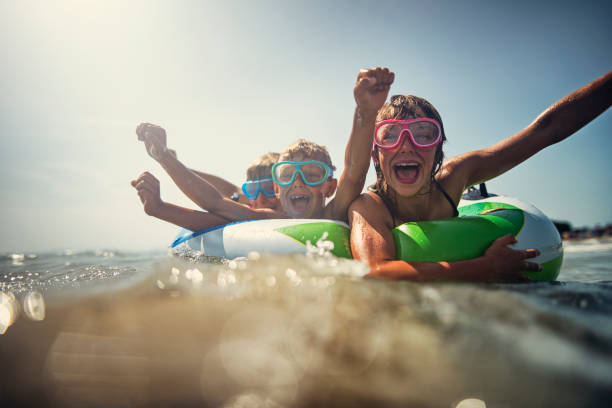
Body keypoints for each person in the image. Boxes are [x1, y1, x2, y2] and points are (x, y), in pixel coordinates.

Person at [348, 69, 612, 282]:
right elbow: (375, 273)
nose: (406, 144)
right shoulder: (369, 207)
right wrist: (484, 267)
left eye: (423, 134)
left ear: (439, 152)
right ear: (376, 158)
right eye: (390, 135)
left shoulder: (454, 177)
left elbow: (545, 131)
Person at [135, 67, 395, 223]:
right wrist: (165, 159)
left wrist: (365, 112)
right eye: (286, 175)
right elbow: (214, 201)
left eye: (312, 174)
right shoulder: (267, 219)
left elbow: (354, 169)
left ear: (329, 187)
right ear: (278, 189)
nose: (298, 182)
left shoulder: (333, 213)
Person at [131, 152, 280, 231]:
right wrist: (176, 166)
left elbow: (216, 206)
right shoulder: (249, 203)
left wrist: (159, 208)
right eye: (252, 190)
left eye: (269, 189)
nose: (260, 198)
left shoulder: (285, 211)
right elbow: (231, 190)